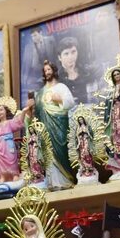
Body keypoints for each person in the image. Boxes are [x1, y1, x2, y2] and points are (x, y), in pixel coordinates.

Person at [33, 60, 76, 190]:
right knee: (48, 153)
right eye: (45, 71)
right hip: (46, 126)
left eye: (49, 70)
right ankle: (52, 182)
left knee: (61, 151)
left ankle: (65, 180)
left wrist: (60, 100)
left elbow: (70, 102)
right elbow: (38, 112)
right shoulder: (40, 93)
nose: (47, 72)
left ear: (54, 71)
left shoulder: (61, 87)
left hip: (59, 125)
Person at [57, 37, 99, 105]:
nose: (71, 57)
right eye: (66, 54)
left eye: (73, 52)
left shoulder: (87, 72)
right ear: (59, 57)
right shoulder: (57, 79)